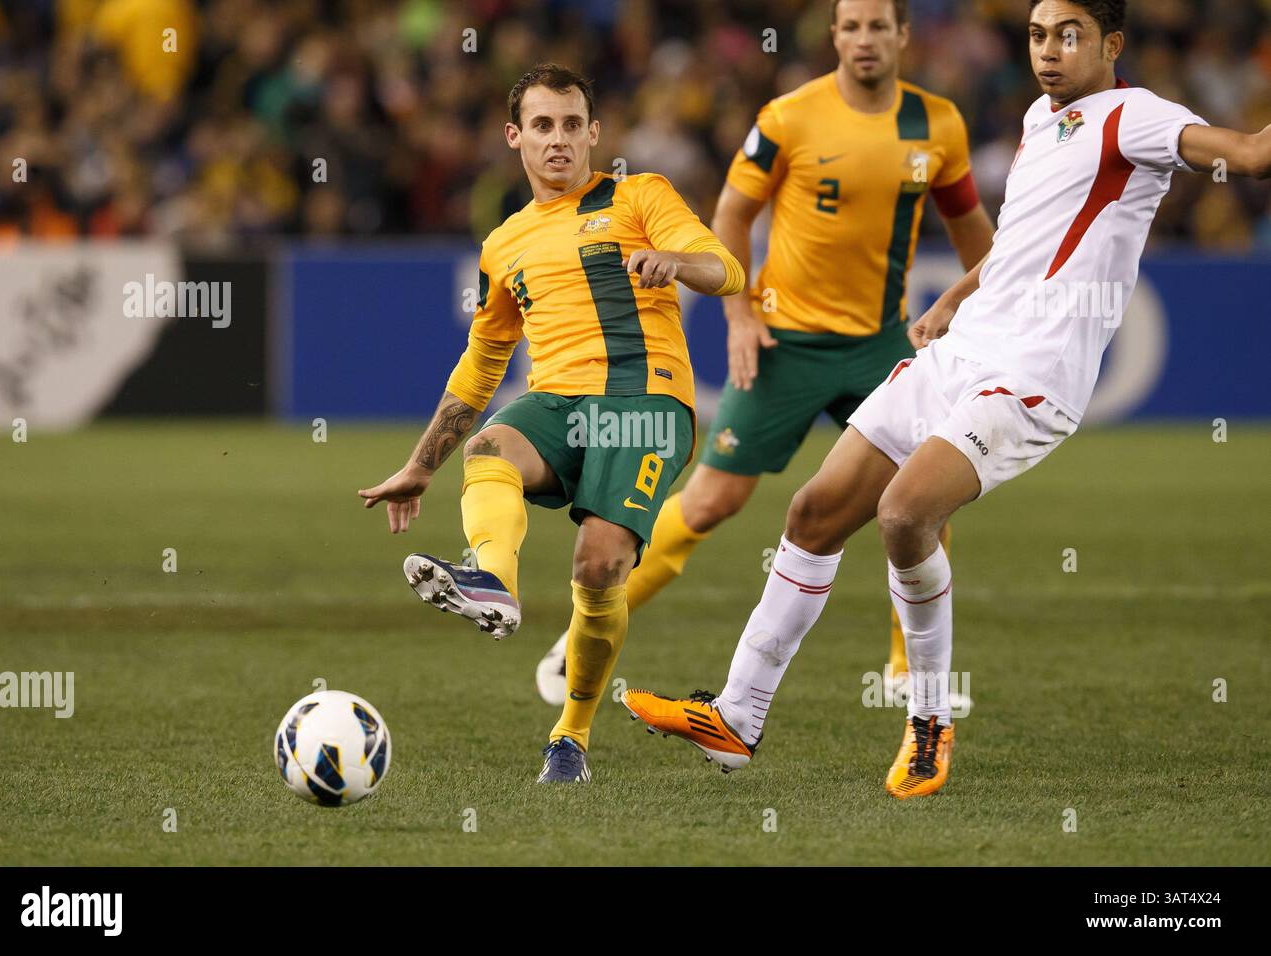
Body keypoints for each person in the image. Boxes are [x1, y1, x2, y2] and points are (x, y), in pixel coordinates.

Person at [621, 0, 1270, 798]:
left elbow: (1249, 153)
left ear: (1113, 44)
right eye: (1037, 35)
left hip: (1031, 375)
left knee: (903, 513)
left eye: (1069, 36)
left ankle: (929, 721)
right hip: (961, 352)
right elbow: (1019, 246)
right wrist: (956, 296)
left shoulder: (1133, 116)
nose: (1049, 52)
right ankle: (736, 717)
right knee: (813, 514)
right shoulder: (1040, 118)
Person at [534, 0, 994, 707]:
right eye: (851, 26)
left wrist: (972, 310)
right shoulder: (789, 117)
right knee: (714, 499)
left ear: (903, 35)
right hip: (785, 343)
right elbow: (732, 213)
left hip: (881, 345)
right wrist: (740, 314)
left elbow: (973, 237)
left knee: (923, 494)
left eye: (879, 26)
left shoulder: (939, 125)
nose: (865, 39)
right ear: (834, 36)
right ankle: (579, 636)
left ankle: (907, 672)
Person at [358, 64, 745, 784]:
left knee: (598, 565)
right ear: (515, 137)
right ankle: (490, 579)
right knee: (489, 443)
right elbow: (480, 365)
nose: (559, 140)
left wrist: (678, 262)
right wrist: (420, 464)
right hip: (560, 404)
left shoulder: (640, 195)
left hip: (645, 406)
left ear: (594, 133)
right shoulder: (503, 244)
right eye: (542, 126)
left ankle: (570, 737)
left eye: (572, 125)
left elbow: (726, 269)